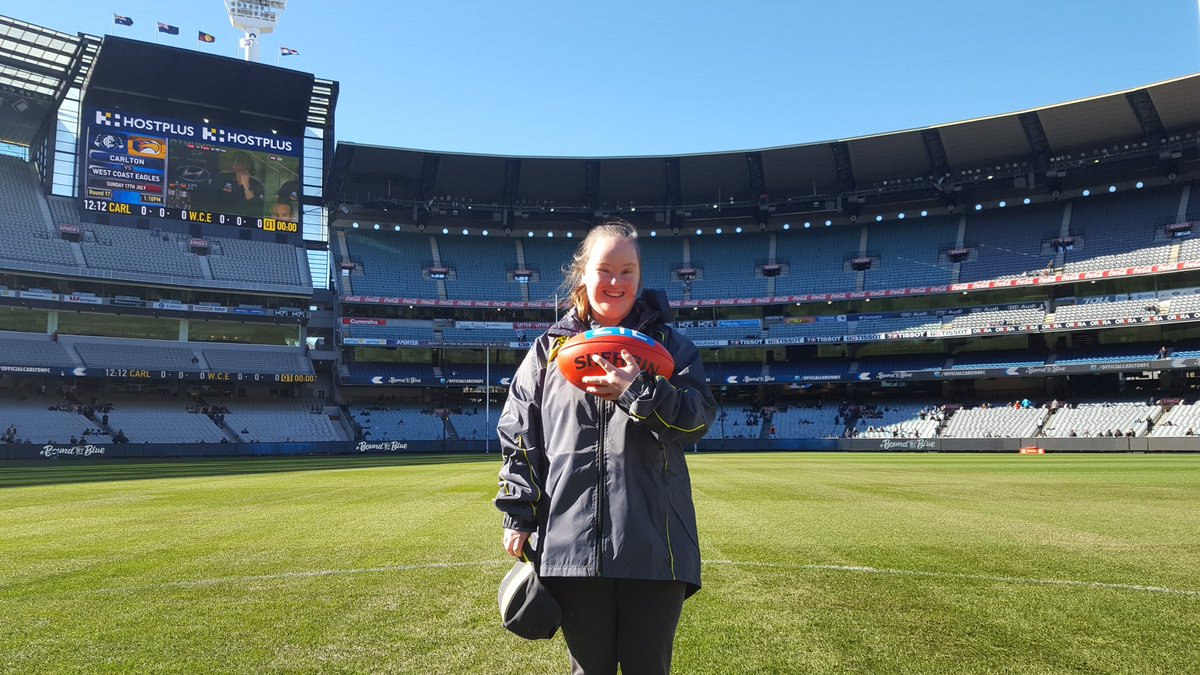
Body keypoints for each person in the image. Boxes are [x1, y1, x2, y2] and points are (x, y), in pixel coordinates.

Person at [495, 221, 716, 675]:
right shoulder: (547, 352)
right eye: (604, 270)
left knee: (646, 669)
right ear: (583, 274)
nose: (616, 282)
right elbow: (520, 435)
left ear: (640, 277)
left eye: (628, 271)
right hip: (572, 543)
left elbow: (698, 419)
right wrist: (519, 512)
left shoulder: (672, 347)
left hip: (656, 543)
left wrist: (640, 391)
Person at [213, 150, 265, 216]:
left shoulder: (257, 185)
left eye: (243, 162)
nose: (239, 165)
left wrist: (246, 184)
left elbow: (255, 209)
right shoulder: (223, 178)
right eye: (237, 162)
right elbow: (213, 200)